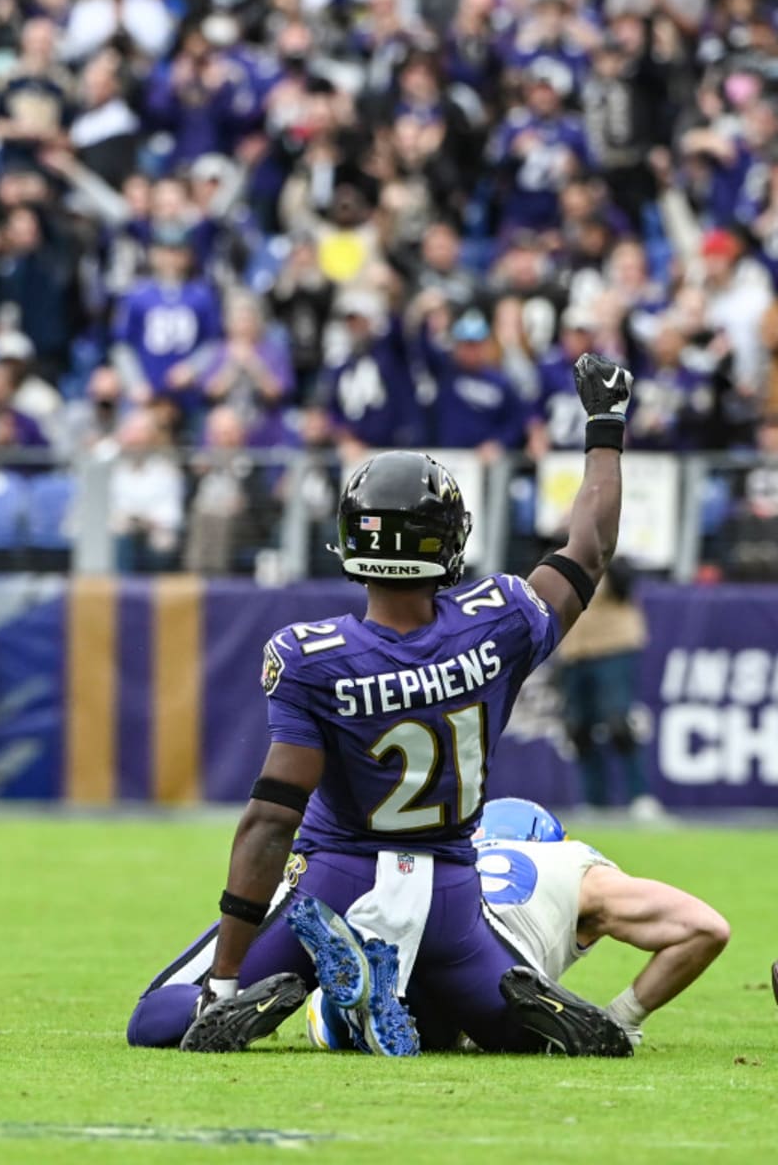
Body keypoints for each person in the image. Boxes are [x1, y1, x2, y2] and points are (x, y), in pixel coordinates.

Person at [137, 351, 634, 1056]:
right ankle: (511, 1010)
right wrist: (605, 425)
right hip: (451, 894)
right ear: (449, 540)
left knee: (158, 1017)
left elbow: (271, 819)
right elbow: (591, 545)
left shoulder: (311, 656)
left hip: (339, 877)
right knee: (464, 1029)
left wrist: (224, 982)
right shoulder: (500, 619)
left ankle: (316, 991)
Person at [306, 798, 730, 1052]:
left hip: (428, 913)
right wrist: (623, 1018)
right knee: (496, 1024)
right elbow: (702, 928)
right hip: (495, 971)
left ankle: (345, 1006)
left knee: (396, 1000)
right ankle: (543, 1029)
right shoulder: (570, 861)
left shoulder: (455, 849)